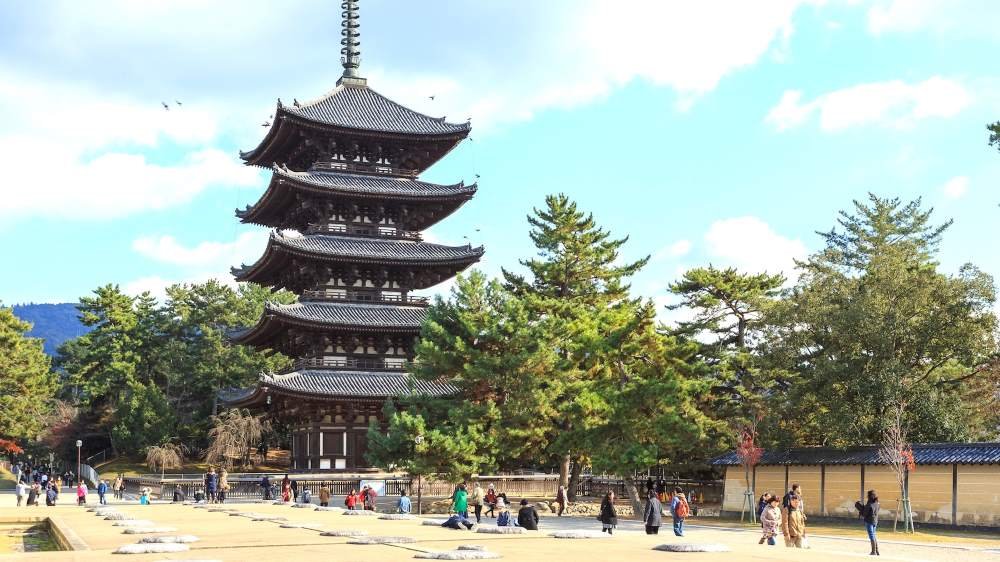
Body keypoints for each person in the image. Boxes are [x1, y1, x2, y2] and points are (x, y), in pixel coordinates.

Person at [855, 489, 880, 556]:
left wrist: (860, 509)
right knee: (874, 535)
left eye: (868, 495)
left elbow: (864, 514)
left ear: (870, 496)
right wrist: (863, 508)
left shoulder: (869, 504)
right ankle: (877, 551)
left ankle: (873, 551)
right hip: (875, 521)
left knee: (871, 535)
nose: (867, 496)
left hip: (869, 521)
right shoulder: (877, 503)